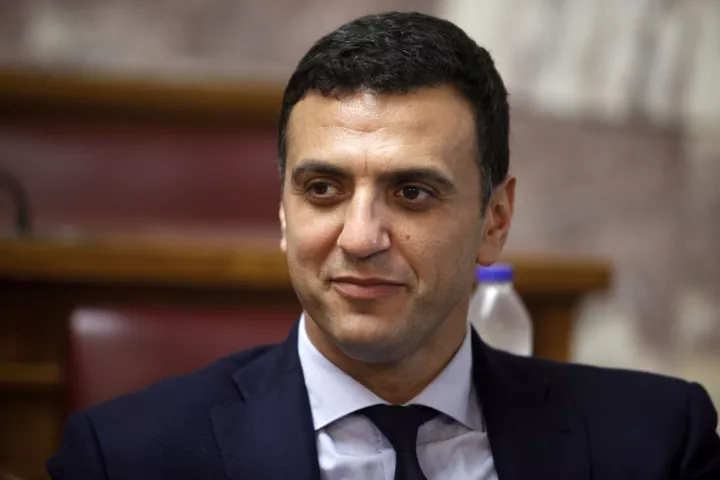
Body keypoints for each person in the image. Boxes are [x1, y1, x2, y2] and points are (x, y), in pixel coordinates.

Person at [47, 11, 720, 480]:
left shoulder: (657, 442)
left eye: (413, 193)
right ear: (282, 212)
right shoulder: (125, 458)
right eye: (322, 189)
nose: (361, 237)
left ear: (494, 220)